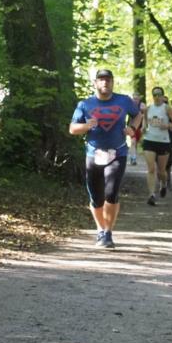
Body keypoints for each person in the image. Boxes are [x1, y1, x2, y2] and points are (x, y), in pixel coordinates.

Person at [69, 70, 142, 249]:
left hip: (118, 152)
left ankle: (107, 232)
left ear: (113, 82)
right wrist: (86, 126)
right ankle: (100, 229)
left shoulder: (124, 100)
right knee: (96, 197)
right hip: (94, 154)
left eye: (108, 80)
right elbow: (72, 129)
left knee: (111, 192)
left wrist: (132, 127)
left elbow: (138, 114)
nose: (105, 83)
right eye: (101, 80)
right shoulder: (85, 104)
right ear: (95, 83)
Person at [141, 87, 172, 206]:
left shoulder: (167, 108)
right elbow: (144, 121)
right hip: (149, 140)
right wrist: (143, 127)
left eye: (159, 94)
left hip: (163, 142)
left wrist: (167, 126)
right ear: (152, 96)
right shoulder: (148, 108)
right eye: (154, 94)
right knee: (151, 169)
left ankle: (164, 184)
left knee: (161, 171)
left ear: (162, 96)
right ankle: (151, 195)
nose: (157, 97)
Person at [128, 94, 143, 165]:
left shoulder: (142, 107)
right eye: (134, 98)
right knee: (133, 142)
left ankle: (133, 156)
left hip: (140, 128)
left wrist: (144, 126)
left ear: (139, 99)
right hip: (132, 127)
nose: (135, 100)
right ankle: (133, 159)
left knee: (136, 143)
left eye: (136, 99)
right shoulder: (130, 107)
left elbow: (146, 117)